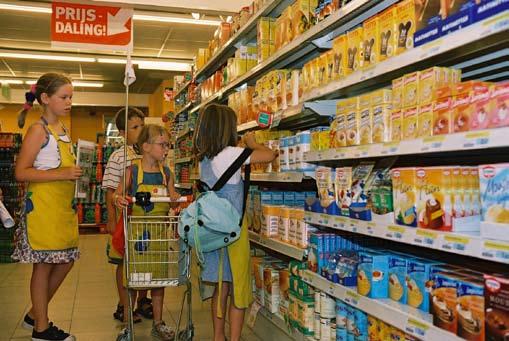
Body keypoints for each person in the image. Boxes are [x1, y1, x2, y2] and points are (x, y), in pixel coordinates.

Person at [192, 104, 276, 341]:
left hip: (212, 231)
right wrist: (251, 143)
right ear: (227, 129)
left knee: (221, 286)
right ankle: (235, 338)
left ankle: (219, 336)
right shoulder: (231, 154)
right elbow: (269, 155)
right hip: (233, 234)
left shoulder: (205, 159)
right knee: (238, 287)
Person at [13, 73, 82, 341]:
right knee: (42, 267)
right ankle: (41, 328)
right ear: (45, 98)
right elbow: (21, 172)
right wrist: (62, 174)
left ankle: (34, 314)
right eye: (64, 97)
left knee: (65, 261)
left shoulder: (63, 130)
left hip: (63, 210)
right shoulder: (38, 130)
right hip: (42, 210)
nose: (69, 102)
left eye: (71, 97)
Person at [115, 124, 180, 341]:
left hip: (160, 234)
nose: (166, 149)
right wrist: (120, 200)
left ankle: (158, 323)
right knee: (133, 281)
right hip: (138, 237)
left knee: (158, 282)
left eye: (168, 145)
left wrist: (176, 200)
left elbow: (172, 197)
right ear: (145, 146)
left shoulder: (166, 173)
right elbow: (117, 195)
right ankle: (127, 322)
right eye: (162, 145)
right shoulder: (132, 171)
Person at [102, 107, 153, 324]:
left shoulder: (151, 151)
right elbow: (111, 190)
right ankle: (124, 304)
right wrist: (112, 219)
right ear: (122, 133)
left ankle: (143, 299)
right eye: (135, 127)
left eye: (142, 125)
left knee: (147, 260)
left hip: (148, 218)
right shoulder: (118, 157)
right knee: (124, 261)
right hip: (126, 219)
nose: (140, 130)